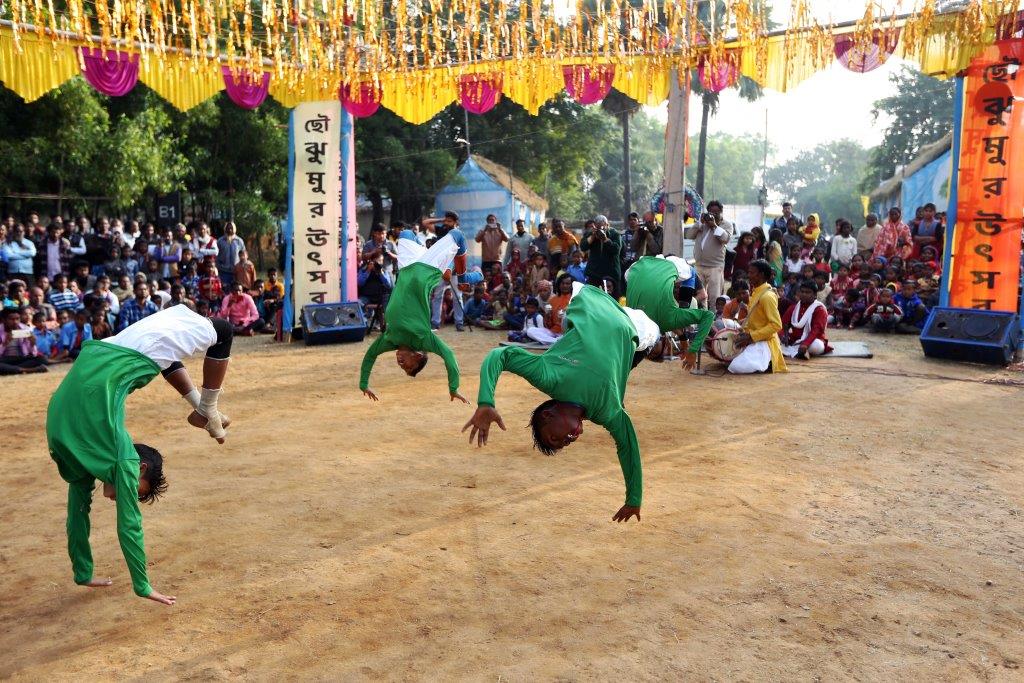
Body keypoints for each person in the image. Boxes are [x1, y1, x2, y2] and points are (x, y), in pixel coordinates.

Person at [46, 304, 234, 605]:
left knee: (165, 353)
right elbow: (128, 525)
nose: (119, 496)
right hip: (61, 422)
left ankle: (202, 408)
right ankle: (206, 409)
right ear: (139, 465)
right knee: (223, 331)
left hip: (111, 353)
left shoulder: (100, 452)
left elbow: (76, 515)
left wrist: (84, 571)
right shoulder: (121, 457)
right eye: (133, 489)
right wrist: (142, 585)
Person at [462, 282, 665, 523]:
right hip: (633, 327)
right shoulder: (607, 411)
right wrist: (634, 498)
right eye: (564, 444)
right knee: (655, 339)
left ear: (548, 415)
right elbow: (628, 447)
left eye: (555, 438)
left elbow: (501, 355)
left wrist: (486, 401)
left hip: (591, 301)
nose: (568, 440)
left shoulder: (550, 377)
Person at [359, 228, 483, 402]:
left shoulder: (389, 340)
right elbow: (448, 356)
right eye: (408, 367)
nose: (401, 365)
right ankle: (462, 278)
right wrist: (453, 388)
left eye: (403, 368)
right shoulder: (423, 339)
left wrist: (363, 384)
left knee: (405, 234)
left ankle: (441, 261)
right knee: (458, 236)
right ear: (417, 356)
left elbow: (370, 356)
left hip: (407, 266)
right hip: (428, 267)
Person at [624, 255, 715, 370]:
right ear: (666, 343)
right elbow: (708, 316)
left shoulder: (632, 324)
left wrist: (688, 346)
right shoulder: (668, 321)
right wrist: (691, 348)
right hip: (645, 266)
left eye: (649, 353)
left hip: (637, 267)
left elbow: (663, 324)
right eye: (655, 352)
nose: (650, 349)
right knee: (689, 274)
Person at [729, 260, 787, 375]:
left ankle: (768, 361)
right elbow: (757, 318)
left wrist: (751, 336)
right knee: (728, 359)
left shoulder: (767, 296)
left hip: (765, 342)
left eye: (751, 273)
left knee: (736, 367)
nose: (748, 275)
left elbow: (776, 325)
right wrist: (738, 324)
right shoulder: (756, 292)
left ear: (761, 275)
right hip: (753, 338)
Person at [684, 206, 732, 307]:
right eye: (711, 212)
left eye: (716, 212)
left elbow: (725, 239)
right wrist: (700, 223)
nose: (713, 214)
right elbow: (689, 235)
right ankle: (701, 315)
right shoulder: (702, 224)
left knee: (715, 296)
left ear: (721, 212)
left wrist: (714, 226)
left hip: (715, 266)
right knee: (699, 295)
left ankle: (714, 317)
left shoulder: (726, 225)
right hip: (699, 265)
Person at [779, 281, 833, 360]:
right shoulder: (794, 307)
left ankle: (803, 350)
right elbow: (784, 324)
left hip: (813, 341)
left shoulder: (819, 309)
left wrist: (805, 344)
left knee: (816, 346)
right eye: (802, 292)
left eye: (808, 292)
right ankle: (801, 352)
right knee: (774, 337)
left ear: (815, 295)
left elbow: (816, 331)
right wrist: (784, 335)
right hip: (795, 340)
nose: (804, 294)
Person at [581, 215, 624, 296]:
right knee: (593, 298)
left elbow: (616, 250)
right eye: (598, 227)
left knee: (611, 298)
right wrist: (593, 236)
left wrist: (605, 239)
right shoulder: (591, 233)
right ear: (595, 226)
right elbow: (583, 247)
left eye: (602, 227)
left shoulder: (614, 234)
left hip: (611, 274)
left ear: (607, 225)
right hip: (594, 273)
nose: (601, 230)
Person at [0, 307, 48, 375]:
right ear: (4, 320)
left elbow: (33, 354)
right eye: (11, 319)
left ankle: (10, 369)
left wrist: (32, 344)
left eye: (17, 319)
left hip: (21, 358)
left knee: (42, 359)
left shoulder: (25, 329)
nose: (15, 322)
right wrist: (5, 344)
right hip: (5, 359)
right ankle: (28, 370)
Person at [215, 222, 246, 288]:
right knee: (224, 289)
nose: (229, 230)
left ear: (234, 229)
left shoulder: (239, 241)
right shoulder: (220, 241)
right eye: (228, 228)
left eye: (231, 228)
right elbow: (216, 255)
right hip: (223, 271)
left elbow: (243, 255)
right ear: (225, 229)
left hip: (236, 271)